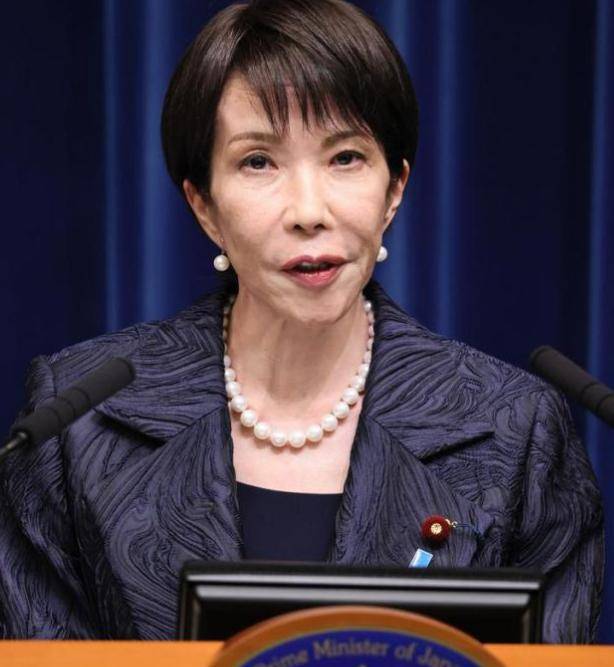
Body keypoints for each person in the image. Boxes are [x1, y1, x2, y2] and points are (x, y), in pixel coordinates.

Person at [0, 0, 603, 643]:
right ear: (204, 205)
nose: (308, 211)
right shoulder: (78, 420)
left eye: (345, 157)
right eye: (258, 161)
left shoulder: (516, 430)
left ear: (394, 190)